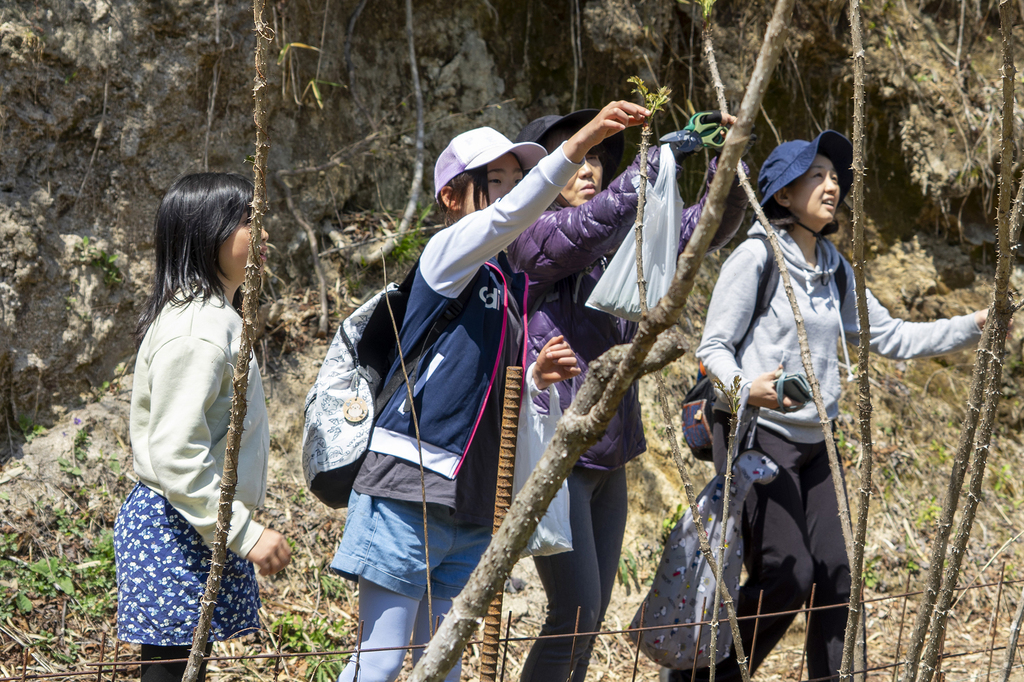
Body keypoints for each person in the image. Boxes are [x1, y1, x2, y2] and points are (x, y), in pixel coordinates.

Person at [328, 101, 650, 682]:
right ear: (454, 196)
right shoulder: (446, 256)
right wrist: (581, 143)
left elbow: (487, 384)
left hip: (474, 497)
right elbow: (506, 220)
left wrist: (533, 378)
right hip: (409, 485)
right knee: (379, 663)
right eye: (498, 183)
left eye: (517, 182)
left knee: (442, 665)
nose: (513, 197)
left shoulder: (506, 282)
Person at [690, 131, 987, 682]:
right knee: (788, 573)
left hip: (818, 444)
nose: (832, 186)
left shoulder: (835, 267)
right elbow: (712, 348)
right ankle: (706, 676)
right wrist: (744, 389)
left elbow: (891, 335)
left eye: (835, 177)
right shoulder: (755, 256)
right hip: (761, 439)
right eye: (817, 176)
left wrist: (973, 327)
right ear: (782, 195)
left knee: (838, 580)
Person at [506, 108, 749, 682]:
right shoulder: (527, 237)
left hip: (608, 452)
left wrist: (727, 161)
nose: (589, 166)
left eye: (595, 156)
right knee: (575, 613)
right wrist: (660, 156)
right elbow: (587, 226)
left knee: (587, 620)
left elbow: (700, 229)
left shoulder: (621, 244)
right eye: (574, 155)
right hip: (555, 448)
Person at [115, 173, 292, 682]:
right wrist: (244, 532)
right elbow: (176, 454)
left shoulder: (214, 316)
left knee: (183, 668)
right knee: (170, 672)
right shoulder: (198, 329)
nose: (262, 234)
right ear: (206, 232)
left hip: (193, 518)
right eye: (247, 221)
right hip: (178, 522)